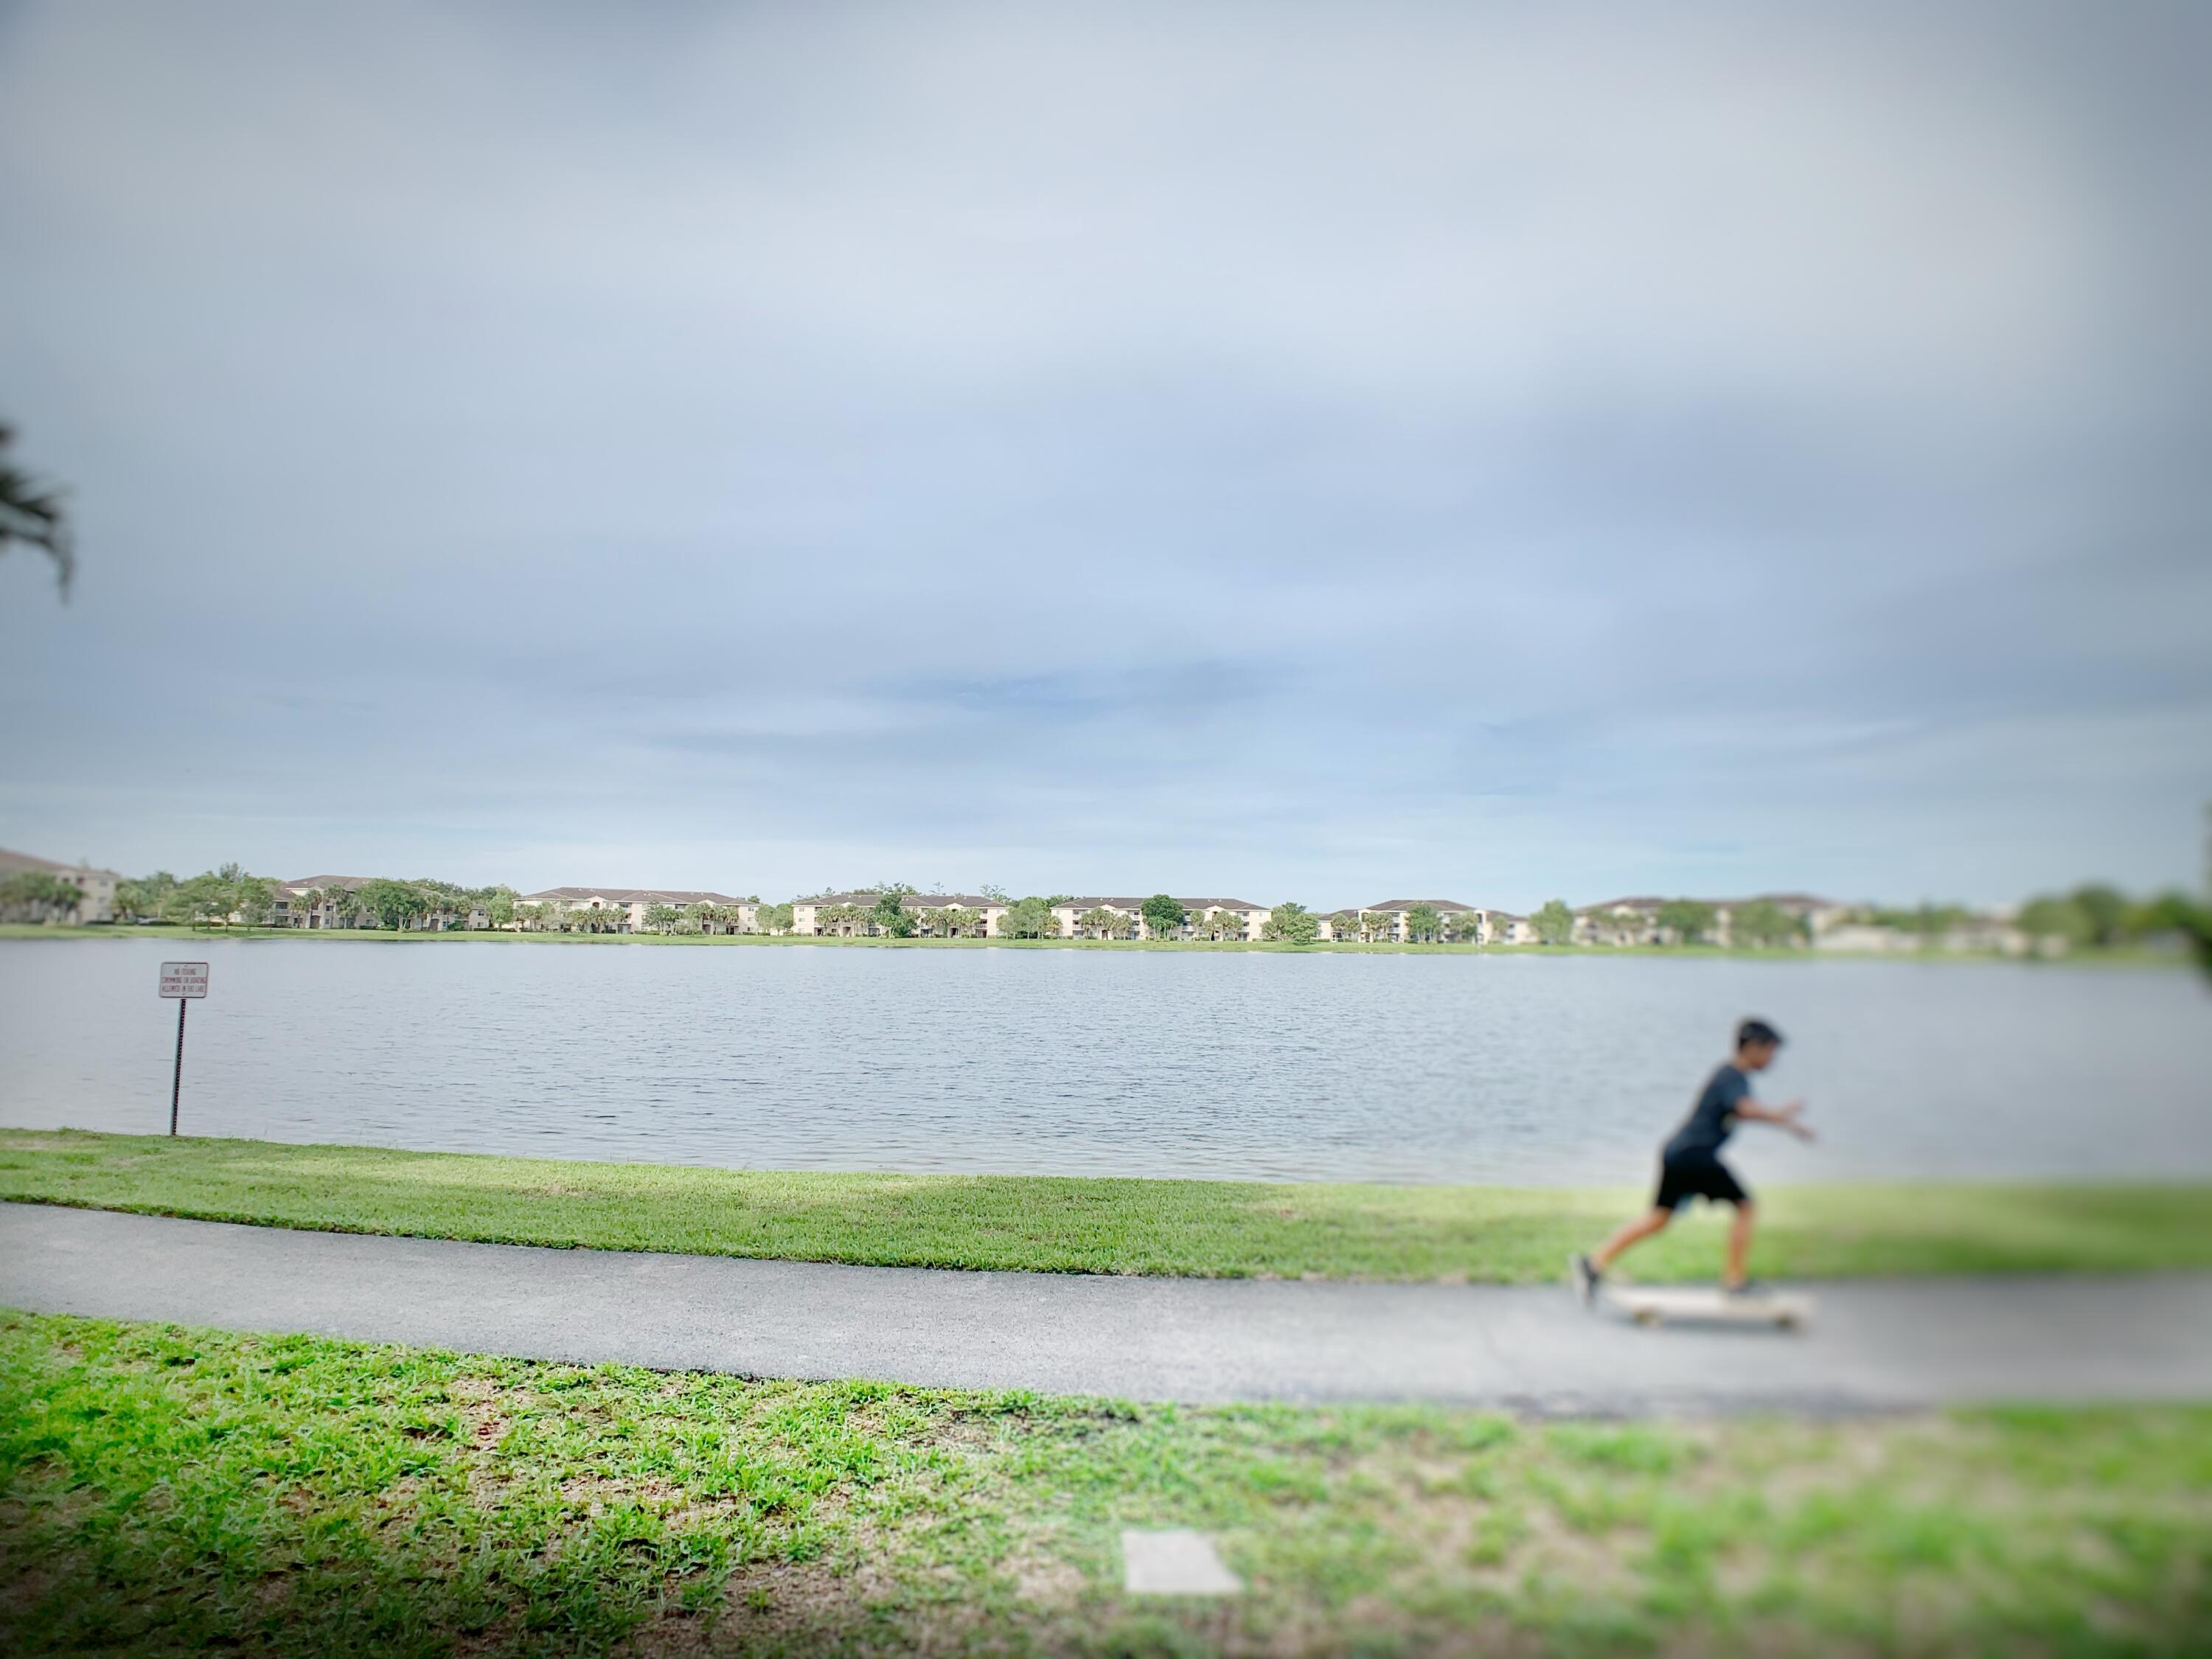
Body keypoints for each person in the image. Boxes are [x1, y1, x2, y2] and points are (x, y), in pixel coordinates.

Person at [1572, 1018, 1813, 1303]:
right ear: (1752, 1047)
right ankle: (1734, 1282)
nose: (1772, 1059)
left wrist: (1782, 1122)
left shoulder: (1729, 1075)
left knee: (1659, 1218)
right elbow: (1744, 1109)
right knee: (1746, 1207)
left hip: (1678, 1153)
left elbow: (1741, 1110)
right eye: (1770, 1051)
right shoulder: (1732, 1076)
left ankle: (1593, 1263)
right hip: (1694, 1155)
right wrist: (1781, 1117)